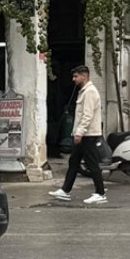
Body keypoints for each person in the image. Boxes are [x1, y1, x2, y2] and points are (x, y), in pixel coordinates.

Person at [50, 65, 106, 204]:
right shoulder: (84, 91)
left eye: (76, 76)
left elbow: (87, 115)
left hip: (88, 134)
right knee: (74, 161)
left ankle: (100, 193)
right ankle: (65, 190)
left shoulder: (90, 92)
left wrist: (79, 133)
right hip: (84, 134)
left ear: (84, 76)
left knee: (92, 163)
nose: (73, 79)